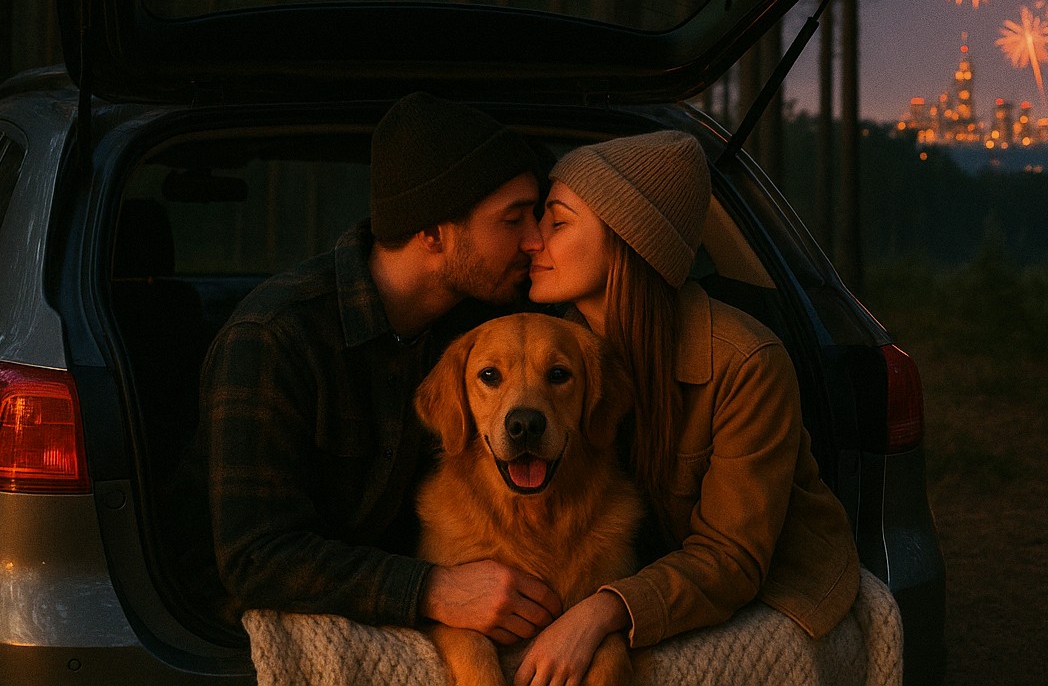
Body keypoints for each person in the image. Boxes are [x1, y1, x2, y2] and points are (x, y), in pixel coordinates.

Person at [170, 92, 562, 645]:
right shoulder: (275, 337)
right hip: (227, 626)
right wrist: (432, 589)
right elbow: (255, 557)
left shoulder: (483, 330)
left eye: (536, 216)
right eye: (513, 218)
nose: (535, 239)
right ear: (433, 232)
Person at [518, 129, 862, 685]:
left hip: (765, 587)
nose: (532, 240)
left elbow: (732, 557)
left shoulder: (746, 363)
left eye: (557, 222)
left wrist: (601, 611)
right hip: (635, 573)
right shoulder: (553, 352)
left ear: (629, 241)